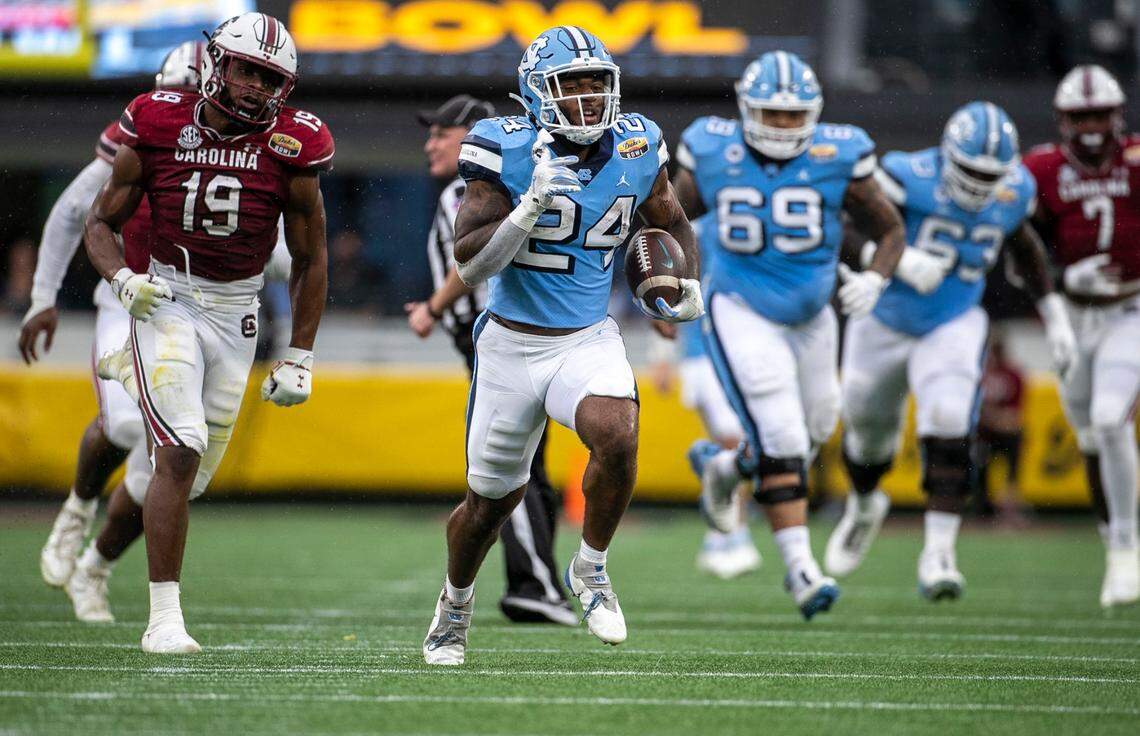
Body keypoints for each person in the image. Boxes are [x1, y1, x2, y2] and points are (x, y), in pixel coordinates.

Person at [422, 25, 702, 665]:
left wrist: (689, 283)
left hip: (586, 337)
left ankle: (592, 567)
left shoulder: (638, 143)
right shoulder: (503, 148)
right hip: (510, 345)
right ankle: (454, 606)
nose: (587, 99)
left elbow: (673, 220)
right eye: (570, 86)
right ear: (534, 92)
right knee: (488, 506)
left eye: (596, 84)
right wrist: (525, 210)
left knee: (618, 434)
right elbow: (470, 267)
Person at [84, 12, 333, 653]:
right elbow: (99, 222)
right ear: (217, 61)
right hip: (167, 297)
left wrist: (300, 354)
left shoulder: (294, 141)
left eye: (269, 77)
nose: (255, 86)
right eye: (247, 69)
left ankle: (128, 371)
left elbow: (311, 258)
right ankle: (164, 620)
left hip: (237, 311)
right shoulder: (159, 118)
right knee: (181, 450)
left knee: (186, 478)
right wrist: (121, 282)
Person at [674, 51, 906, 619]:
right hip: (741, 307)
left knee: (813, 433)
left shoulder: (839, 152)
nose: (782, 126)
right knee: (780, 434)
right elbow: (670, 217)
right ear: (747, 109)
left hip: (813, 318)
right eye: (771, 115)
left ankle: (724, 468)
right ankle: (803, 571)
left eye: (793, 115)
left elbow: (890, 228)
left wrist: (877, 279)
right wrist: (670, 281)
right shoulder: (711, 149)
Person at [825, 101, 1077, 600]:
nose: (980, 184)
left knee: (948, 417)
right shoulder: (906, 175)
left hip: (953, 318)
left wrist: (1054, 311)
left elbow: (1023, 243)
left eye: (990, 174)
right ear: (947, 155)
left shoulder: (1015, 189)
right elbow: (842, 228)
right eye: (970, 171)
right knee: (867, 434)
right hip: (884, 318)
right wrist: (895, 258)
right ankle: (864, 503)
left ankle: (939, 552)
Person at [21, 41, 205, 622]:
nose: (184, 112)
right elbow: (76, 210)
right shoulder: (144, 130)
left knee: (166, 464)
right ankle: (77, 508)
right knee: (127, 424)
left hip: (198, 312)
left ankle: (95, 566)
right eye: (173, 98)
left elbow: (278, 251)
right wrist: (42, 298)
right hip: (129, 295)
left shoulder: (247, 147)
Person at [404, 94, 575, 625]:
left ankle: (535, 583)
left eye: (442, 132)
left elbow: (474, 260)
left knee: (512, 464)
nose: (431, 142)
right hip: (507, 333)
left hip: (501, 335)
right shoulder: (494, 183)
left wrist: (433, 307)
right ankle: (535, 583)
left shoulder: (471, 185)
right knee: (522, 463)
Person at [1022, 65, 1140, 607]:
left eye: (1099, 114)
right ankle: (1110, 539)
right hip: (1072, 317)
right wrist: (1062, 276)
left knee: (1111, 420)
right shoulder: (1039, 169)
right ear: (1063, 120)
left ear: (1116, 115)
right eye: (1081, 115)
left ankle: (1124, 548)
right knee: (1090, 437)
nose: (1092, 126)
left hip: (1130, 311)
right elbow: (1018, 251)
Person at [648, 213, 761, 580]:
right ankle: (733, 532)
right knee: (730, 443)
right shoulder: (695, 230)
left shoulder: (740, 224)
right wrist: (662, 356)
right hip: (702, 352)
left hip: (735, 350)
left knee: (729, 444)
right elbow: (662, 289)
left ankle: (722, 535)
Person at [976, 333, 1028, 524]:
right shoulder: (980, 373)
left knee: (1015, 452)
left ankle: (1009, 502)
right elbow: (977, 412)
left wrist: (994, 418)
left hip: (1006, 434)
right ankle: (984, 507)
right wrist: (996, 419)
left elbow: (1015, 417)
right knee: (979, 462)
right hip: (986, 434)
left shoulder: (1013, 375)